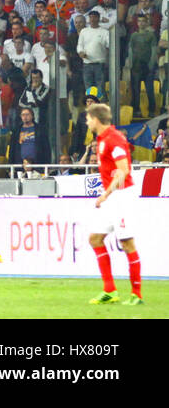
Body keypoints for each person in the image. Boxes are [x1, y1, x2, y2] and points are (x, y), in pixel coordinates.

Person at [85, 103, 142, 305]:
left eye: (89, 118)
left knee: (126, 243)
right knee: (95, 238)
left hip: (122, 195)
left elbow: (123, 170)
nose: (87, 121)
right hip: (112, 196)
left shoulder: (114, 139)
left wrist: (105, 194)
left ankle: (137, 294)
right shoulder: (101, 140)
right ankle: (110, 290)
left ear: (97, 119)